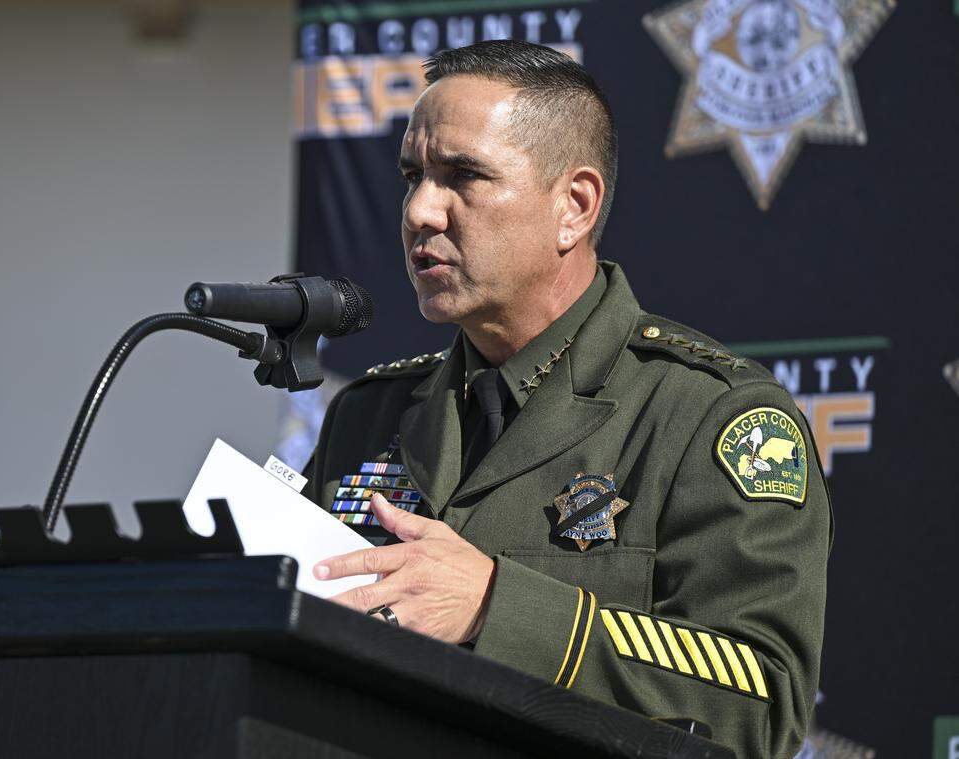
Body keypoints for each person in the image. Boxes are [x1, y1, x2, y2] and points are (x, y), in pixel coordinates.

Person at [302, 39, 830, 758]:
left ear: (574, 207)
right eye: (412, 176)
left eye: (463, 175)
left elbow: (760, 705)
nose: (421, 210)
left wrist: (496, 605)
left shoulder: (712, 416)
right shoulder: (369, 414)